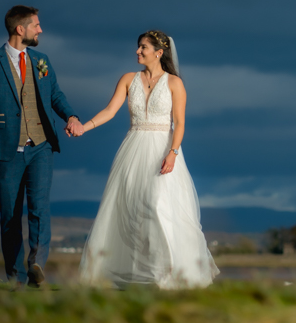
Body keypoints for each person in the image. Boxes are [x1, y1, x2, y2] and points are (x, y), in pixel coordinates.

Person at [74, 30, 218, 288]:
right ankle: (137, 272)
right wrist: (85, 126)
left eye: (143, 47)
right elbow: (110, 110)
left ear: (159, 53)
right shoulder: (129, 79)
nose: (137, 52)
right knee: (132, 209)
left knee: (160, 206)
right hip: (134, 148)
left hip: (164, 149)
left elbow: (180, 123)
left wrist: (172, 153)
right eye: (138, 47)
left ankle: (171, 272)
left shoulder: (174, 83)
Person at [0, 5, 83, 287]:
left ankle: (36, 265)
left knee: (40, 208)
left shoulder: (41, 60)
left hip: (41, 146)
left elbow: (56, 95)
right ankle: (16, 277)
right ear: (20, 29)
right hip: (5, 150)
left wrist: (71, 116)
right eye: (36, 25)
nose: (40, 30)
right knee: (10, 214)